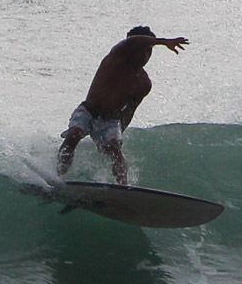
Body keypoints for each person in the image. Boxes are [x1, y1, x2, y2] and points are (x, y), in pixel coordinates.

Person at [56, 26, 188, 184]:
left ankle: (122, 187)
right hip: (88, 110)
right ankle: (58, 177)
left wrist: (118, 134)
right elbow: (134, 41)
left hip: (110, 120)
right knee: (74, 135)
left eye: (149, 51)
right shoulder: (117, 56)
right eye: (141, 50)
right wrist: (164, 41)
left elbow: (129, 112)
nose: (144, 55)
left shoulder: (143, 83)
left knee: (115, 151)